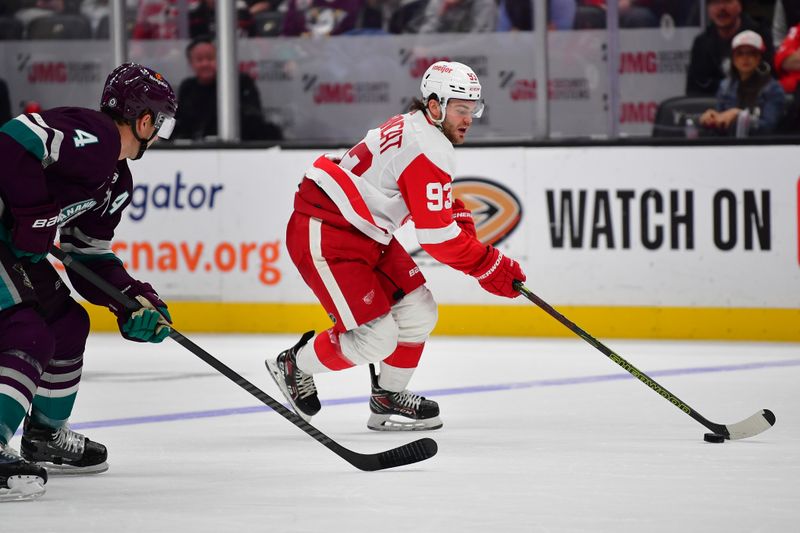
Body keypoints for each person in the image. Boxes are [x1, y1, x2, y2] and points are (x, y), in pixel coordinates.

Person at [265, 61, 527, 431]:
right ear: (435, 106)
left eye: (473, 109)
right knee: (376, 340)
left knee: (419, 311)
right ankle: (294, 364)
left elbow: (412, 188)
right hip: (327, 233)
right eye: (461, 109)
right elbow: (436, 239)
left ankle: (387, 396)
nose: (469, 118)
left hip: (365, 233)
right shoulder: (429, 145)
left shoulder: (415, 126)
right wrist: (489, 265)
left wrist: (455, 213)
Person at [0, 63, 176, 502]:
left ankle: (45, 435)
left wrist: (132, 299)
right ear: (145, 120)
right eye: (163, 125)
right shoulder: (94, 135)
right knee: (28, 333)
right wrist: (31, 212)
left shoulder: (116, 179)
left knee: (66, 324)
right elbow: (12, 138)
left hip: (10, 247)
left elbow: (86, 254)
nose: (159, 136)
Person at [172, 36, 282, 141]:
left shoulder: (238, 83)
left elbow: (252, 118)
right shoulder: (188, 87)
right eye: (199, 60)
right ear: (191, 63)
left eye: (210, 58)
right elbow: (181, 123)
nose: (205, 64)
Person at [699, 30, 785, 136]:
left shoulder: (773, 89)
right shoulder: (725, 86)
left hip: (761, 147)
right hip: (728, 146)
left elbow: (769, 127)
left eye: (751, 53)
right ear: (733, 59)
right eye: (740, 53)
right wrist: (712, 118)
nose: (745, 58)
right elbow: (720, 122)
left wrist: (740, 115)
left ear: (759, 58)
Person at [686, 0, 774, 96]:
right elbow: (694, 88)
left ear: (740, 6)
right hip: (711, 105)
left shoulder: (760, 35)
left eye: (727, 1)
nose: (722, 8)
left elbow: (768, 77)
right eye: (715, 2)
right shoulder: (701, 42)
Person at [418, 0, 497, 33]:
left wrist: (433, 51)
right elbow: (423, 41)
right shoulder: (438, 2)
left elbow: (479, 42)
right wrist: (441, 14)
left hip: (475, 62)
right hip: (441, 61)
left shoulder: (484, 3)